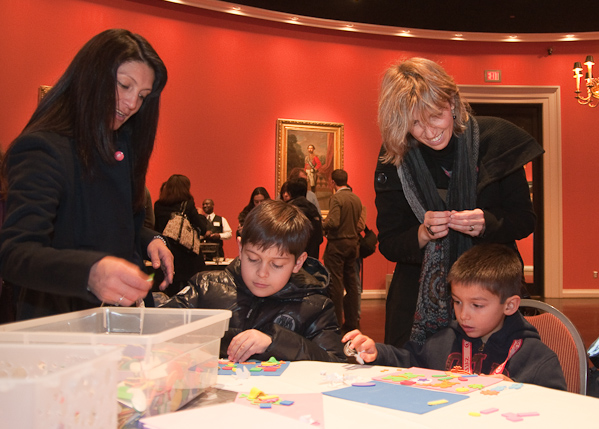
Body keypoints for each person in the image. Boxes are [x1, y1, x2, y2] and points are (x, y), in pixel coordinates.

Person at [0, 29, 173, 320]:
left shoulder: (123, 146)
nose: (132, 104)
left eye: (142, 96)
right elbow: (15, 254)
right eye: (123, 86)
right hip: (58, 323)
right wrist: (90, 272)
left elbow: (106, 224)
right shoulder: (43, 148)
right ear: (92, 77)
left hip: (116, 321)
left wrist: (148, 239)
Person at [375, 57, 544, 347]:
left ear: (452, 103)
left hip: (490, 295)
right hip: (415, 302)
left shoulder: (497, 141)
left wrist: (485, 224)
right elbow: (389, 243)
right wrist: (422, 233)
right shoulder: (395, 158)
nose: (429, 132)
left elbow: (524, 220)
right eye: (415, 123)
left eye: (434, 116)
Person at [343, 244, 567, 391]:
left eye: (477, 305)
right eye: (457, 302)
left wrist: (518, 391)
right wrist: (377, 352)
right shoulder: (443, 342)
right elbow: (408, 362)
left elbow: (560, 409)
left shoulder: (536, 358)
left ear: (509, 305)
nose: (463, 314)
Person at [161, 200, 346, 363]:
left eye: (277, 264)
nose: (262, 273)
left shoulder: (315, 308)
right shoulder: (205, 287)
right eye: (253, 259)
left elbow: (333, 363)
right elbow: (157, 328)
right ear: (240, 249)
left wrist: (276, 342)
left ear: (298, 262)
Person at [323, 169, 364, 333]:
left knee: (336, 284)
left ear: (333, 182)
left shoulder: (336, 198)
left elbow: (333, 221)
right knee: (352, 283)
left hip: (337, 244)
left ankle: (336, 322)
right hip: (353, 244)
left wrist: (320, 224)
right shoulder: (356, 198)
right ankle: (352, 321)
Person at [154, 174, 208, 296]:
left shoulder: (158, 205)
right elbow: (203, 228)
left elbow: (156, 228)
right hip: (188, 258)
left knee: (170, 294)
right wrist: (200, 214)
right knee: (190, 294)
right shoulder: (187, 204)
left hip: (167, 255)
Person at [287, 177, 323, 259]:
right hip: (311, 258)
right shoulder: (313, 209)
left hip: (293, 257)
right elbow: (319, 238)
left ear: (290, 192)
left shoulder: (288, 210)